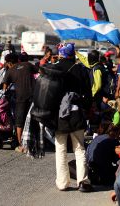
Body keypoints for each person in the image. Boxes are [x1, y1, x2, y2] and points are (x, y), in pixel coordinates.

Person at [53, 43, 93, 192]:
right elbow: (88, 94)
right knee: (80, 148)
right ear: (73, 54)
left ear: (61, 53)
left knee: (61, 149)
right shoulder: (81, 69)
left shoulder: (55, 68)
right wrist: (86, 109)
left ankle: (63, 183)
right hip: (77, 113)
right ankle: (82, 181)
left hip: (59, 115)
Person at [3, 52, 38, 152]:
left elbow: (4, 87)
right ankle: (35, 143)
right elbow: (40, 72)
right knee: (33, 119)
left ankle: (21, 146)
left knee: (19, 122)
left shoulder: (10, 70)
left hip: (20, 99)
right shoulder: (28, 65)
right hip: (33, 97)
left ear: (9, 62)